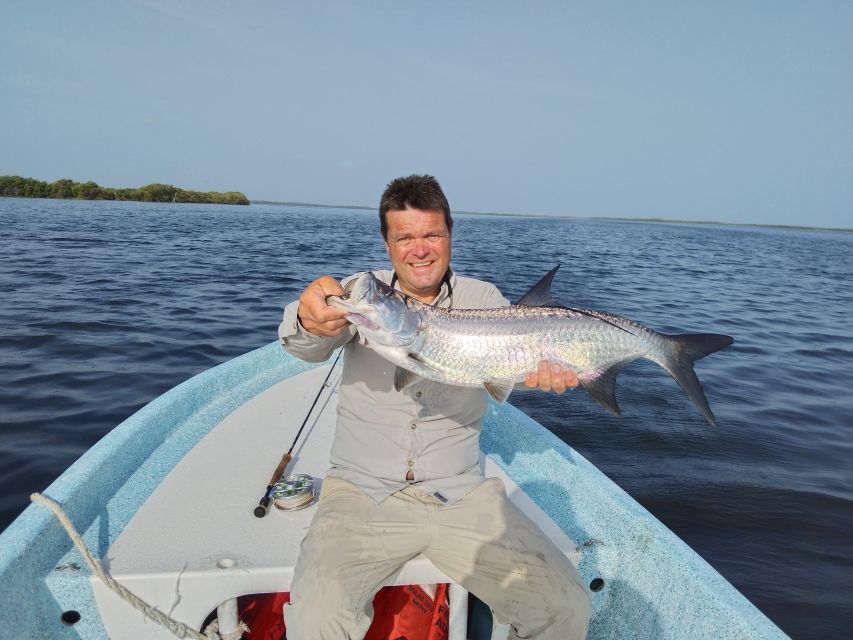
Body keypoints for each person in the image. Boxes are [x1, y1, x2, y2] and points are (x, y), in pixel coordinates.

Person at [278, 175, 592, 639]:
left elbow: (507, 360)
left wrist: (547, 370)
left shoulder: (483, 299)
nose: (419, 249)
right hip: (361, 491)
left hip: (461, 493)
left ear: (450, 235)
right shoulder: (363, 295)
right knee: (314, 620)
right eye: (404, 237)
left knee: (565, 607)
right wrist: (308, 318)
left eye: (432, 235)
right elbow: (306, 345)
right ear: (387, 243)